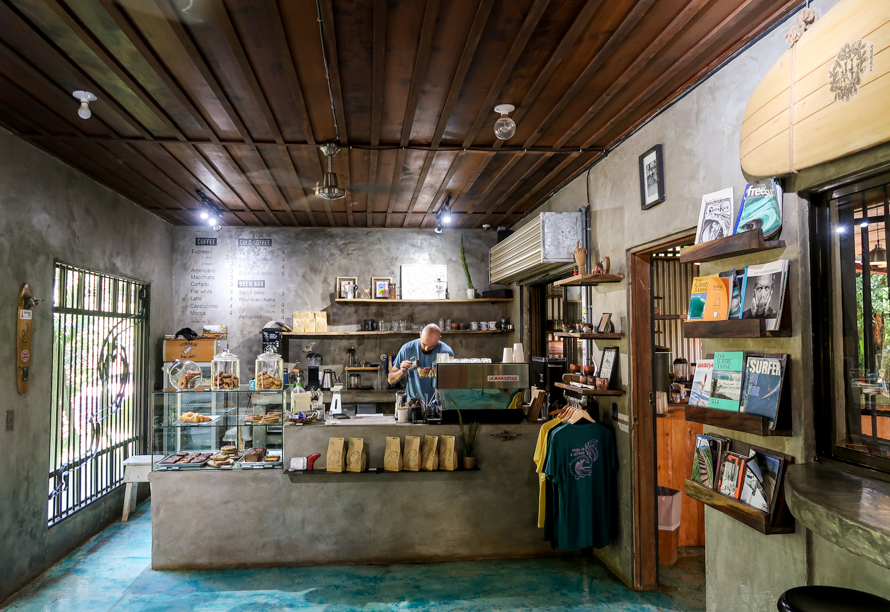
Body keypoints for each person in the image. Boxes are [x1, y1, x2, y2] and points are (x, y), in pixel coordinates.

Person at [388, 324, 453, 401]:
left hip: (438, 404)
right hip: (413, 404)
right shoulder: (407, 349)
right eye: (424, 344)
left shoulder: (446, 352)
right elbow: (390, 380)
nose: (426, 349)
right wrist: (401, 371)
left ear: (439, 338)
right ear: (420, 334)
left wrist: (435, 375)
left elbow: (450, 384)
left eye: (432, 346)